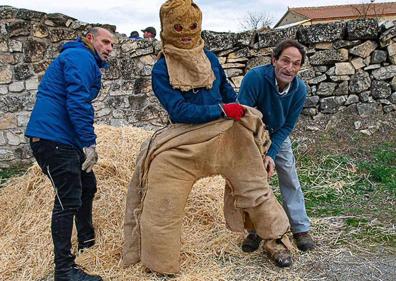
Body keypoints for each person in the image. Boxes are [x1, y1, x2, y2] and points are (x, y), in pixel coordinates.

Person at [127, 0, 293, 270]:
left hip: (227, 134)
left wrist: (237, 109)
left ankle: (274, 239)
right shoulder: (161, 68)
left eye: (192, 26)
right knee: (162, 199)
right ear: (166, 27)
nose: (185, 32)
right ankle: (161, 264)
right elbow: (179, 110)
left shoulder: (211, 58)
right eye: (178, 26)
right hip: (185, 140)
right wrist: (221, 109)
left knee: (256, 187)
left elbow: (227, 92)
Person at [25, 27, 114, 281]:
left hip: (64, 139)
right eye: (105, 42)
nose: (109, 48)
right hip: (53, 139)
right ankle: (64, 270)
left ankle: (86, 240)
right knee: (68, 199)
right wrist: (89, 143)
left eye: (112, 45)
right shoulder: (80, 57)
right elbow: (77, 101)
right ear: (89, 38)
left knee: (88, 185)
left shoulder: (84, 59)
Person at [238, 39, 315, 253]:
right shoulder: (255, 78)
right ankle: (253, 230)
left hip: (278, 134)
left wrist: (271, 153)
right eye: (285, 61)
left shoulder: (299, 90)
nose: (289, 68)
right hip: (250, 132)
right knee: (253, 179)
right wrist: (257, 151)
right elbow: (243, 116)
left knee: (289, 176)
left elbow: (288, 126)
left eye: (296, 63)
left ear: (300, 67)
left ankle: (300, 228)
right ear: (274, 60)